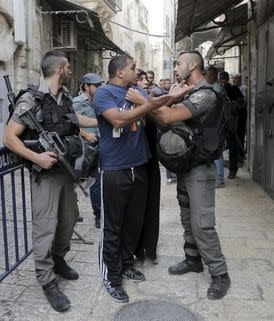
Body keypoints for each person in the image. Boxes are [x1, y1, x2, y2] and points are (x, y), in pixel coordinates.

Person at [127, 51, 231, 300]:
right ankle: (193, 260)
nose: (175, 67)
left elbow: (166, 117)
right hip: (186, 165)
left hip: (200, 168)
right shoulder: (190, 92)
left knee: (202, 223)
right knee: (186, 217)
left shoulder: (205, 95)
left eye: (179, 63)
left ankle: (219, 274)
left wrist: (142, 100)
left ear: (193, 65)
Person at [3, 50, 97, 312]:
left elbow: (73, 121)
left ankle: (58, 259)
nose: (69, 71)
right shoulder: (30, 101)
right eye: (67, 67)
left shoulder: (64, 97)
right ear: (58, 70)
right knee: (45, 227)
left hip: (65, 172)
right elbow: (9, 138)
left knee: (68, 220)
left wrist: (101, 120)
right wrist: (37, 157)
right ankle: (46, 279)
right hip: (45, 174)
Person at [94, 54, 191, 303]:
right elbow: (117, 119)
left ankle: (126, 263)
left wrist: (173, 96)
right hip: (115, 169)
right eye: (132, 68)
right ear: (119, 72)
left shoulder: (136, 90)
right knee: (113, 226)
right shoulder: (104, 94)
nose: (137, 72)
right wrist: (147, 105)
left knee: (133, 223)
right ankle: (111, 277)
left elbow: (156, 106)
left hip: (139, 167)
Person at [133, 68, 161, 265]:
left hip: (150, 161)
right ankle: (136, 249)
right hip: (136, 162)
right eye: (140, 78)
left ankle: (149, 248)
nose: (144, 82)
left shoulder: (150, 100)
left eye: (146, 79)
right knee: (136, 208)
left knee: (150, 206)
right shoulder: (130, 101)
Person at [72, 73, 103, 228]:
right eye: (96, 86)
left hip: (99, 145)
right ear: (86, 87)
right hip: (83, 148)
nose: (99, 88)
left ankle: (99, 214)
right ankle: (73, 213)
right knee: (81, 180)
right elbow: (71, 124)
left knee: (96, 180)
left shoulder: (97, 101)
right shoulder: (77, 102)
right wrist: (86, 134)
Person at [218, 71, 244, 179]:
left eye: (224, 78)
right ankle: (218, 174)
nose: (222, 80)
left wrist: (234, 105)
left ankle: (233, 170)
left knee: (233, 147)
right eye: (221, 78)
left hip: (230, 123)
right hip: (219, 123)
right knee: (218, 147)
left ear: (227, 79)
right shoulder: (217, 90)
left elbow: (242, 103)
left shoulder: (234, 89)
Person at [205, 66, 225, 188]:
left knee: (216, 150)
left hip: (215, 124)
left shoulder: (216, 87)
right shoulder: (215, 86)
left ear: (213, 75)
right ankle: (217, 177)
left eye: (208, 75)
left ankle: (219, 178)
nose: (207, 77)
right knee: (213, 149)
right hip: (214, 123)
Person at [231, 72, 247, 165]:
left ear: (239, 79)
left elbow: (242, 101)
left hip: (241, 114)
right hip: (235, 114)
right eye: (233, 78)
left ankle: (241, 154)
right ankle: (237, 153)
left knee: (240, 134)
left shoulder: (243, 88)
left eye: (235, 79)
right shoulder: (233, 88)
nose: (233, 80)